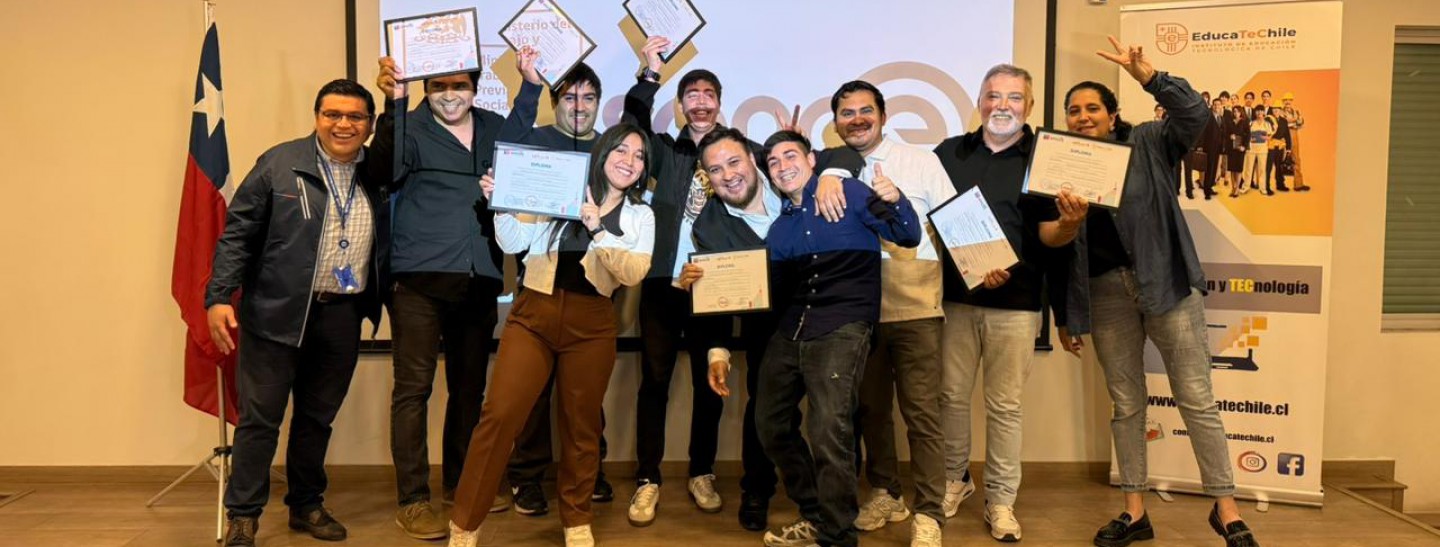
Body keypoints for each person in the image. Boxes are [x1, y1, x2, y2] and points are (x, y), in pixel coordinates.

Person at [1053, 37, 1261, 547]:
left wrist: (1149, 76)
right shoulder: (1061, 165)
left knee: (1197, 398)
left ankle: (1227, 509)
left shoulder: (1148, 141)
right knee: (1127, 404)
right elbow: (1063, 251)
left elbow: (1197, 118)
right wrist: (1067, 313)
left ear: (1112, 114)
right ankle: (1134, 512)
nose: (1083, 117)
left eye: (1092, 108)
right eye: (1074, 110)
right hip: (1105, 295)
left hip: (1166, 283)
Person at [447, 124, 656, 547]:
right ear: (603, 153)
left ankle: (576, 520)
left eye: (639, 156)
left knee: (581, 427)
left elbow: (633, 272)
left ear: (644, 168)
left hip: (593, 324)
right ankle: (465, 524)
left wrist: (598, 229)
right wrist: (502, 206)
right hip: (533, 314)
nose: (629, 161)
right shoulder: (563, 189)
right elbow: (515, 243)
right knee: (499, 416)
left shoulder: (641, 215)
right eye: (621, 150)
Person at [208, 79, 388, 547]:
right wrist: (219, 296)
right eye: (333, 114)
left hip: (342, 314)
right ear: (317, 118)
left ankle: (306, 505)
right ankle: (243, 515)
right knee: (259, 421)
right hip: (276, 312)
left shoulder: (378, 171)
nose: (343, 124)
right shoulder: (279, 163)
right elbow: (237, 233)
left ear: (370, 125)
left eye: (355, 116)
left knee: (316, 419)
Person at [931, 64, 1088, 543]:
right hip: (955, 299)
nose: (1002, 105)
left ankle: (1001, 501)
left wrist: (1069, 224)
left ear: (1029, 106)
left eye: (1014, 98)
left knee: (1005, 407)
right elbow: (927, 217)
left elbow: (1049, 235)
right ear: (979, 101)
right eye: (993, 96)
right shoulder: (948, 153)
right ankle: (954, 479)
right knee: (951, 397)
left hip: (1018, 303)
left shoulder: (1045, 159)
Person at [754, 130, 922, 547]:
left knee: (829, 426)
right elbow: (771, 295)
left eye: (790, 156)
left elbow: (908, 235)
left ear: (812, 159)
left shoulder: (848, 191)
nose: (782, 167)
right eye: (773, 162)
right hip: (792, 328)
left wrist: (896, 198)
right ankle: (814, 513)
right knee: (769, 423)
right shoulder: (779, 230)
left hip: (845, 324)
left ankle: (838, 536)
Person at [374, 57, 505, 540]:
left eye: (460, 85)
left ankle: (460, 486)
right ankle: (412, 500)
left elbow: (528, 157)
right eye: (438, 85)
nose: (450, 94)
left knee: (469, 391)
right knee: (413, 391)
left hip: (480, 277)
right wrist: (394, 105)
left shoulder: (494, 127)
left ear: (475, 87)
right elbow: (382, 171)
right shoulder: (407, 126)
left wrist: (533, 87)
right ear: (425, 88)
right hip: (418, 280)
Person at [828, 80, 953, 547]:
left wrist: (986, 265)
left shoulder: (922, 161)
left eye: (865, 110)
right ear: (835, 122)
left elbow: (953, 220)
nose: (857, 119)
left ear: (883, 116)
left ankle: (930, 512)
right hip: (858, 309)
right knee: (871, 410)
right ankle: (886, 493)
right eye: (846, 113)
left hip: (915, 305)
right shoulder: (831, 172)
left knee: (921, 413)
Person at [498, 46, 616, 517]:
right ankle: (526, 478)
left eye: (588, 97)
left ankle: (590, 470)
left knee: (584, 393)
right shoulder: (535, 140)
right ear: (556, 102)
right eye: (570, 97)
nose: (579, 106)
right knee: (532, 391)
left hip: (595, 279)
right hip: (542, 275)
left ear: (598, 102)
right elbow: (503, 159)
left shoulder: (612, 148)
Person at [1241, 107, 1275, 196]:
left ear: (1264, 112)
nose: (1259, 113)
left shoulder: (1267, 124)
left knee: (1262, 169)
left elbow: (1270, 136)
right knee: (1248, 169)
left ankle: (1262, 188)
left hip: (1263, 149)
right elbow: (1246, 134)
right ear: (1255, 113)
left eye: (1261, 111)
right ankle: (1246, 186)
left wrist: (1265, 137)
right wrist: (1250, 138)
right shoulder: (1251, 123)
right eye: (1257, 111)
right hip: (1251, 149)